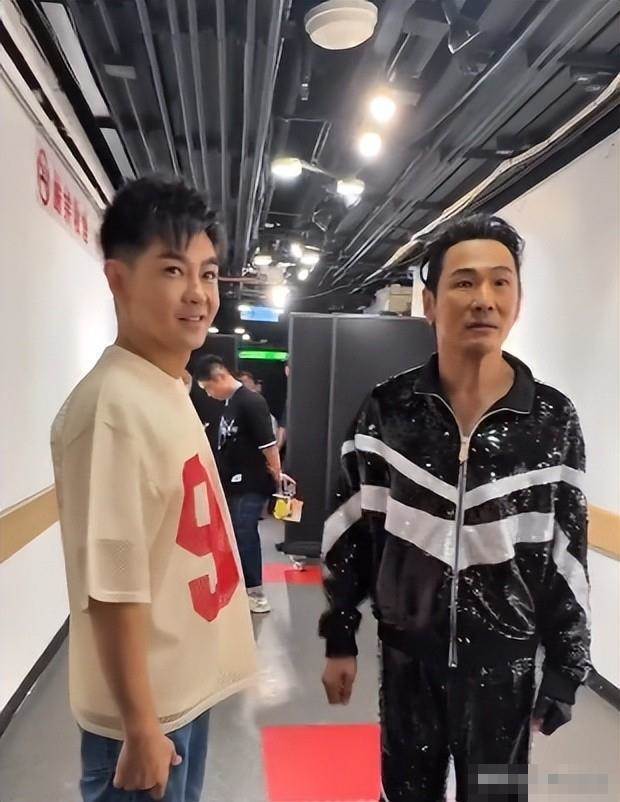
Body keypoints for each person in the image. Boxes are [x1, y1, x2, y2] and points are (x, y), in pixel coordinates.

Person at [319, 214, 591, 802]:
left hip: (505, 670)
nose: (484, 299)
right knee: (405, 793)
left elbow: (568, 549)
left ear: (517, 301)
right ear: (430, 303)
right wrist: (340, 633)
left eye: (500, 282)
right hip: (406, 661)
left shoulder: (552, 419)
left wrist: (567, 666)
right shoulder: (387, 410)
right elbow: (351, 529)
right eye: (464, 282)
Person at [51, 176, 256, 802]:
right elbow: (113, 586)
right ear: (118, 279)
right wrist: (140, 728)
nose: (197, 293)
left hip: (177, 696)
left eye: (208, 274)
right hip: (142, 719)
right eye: (172, 270)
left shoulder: (164, 387)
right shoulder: (112, 406)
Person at [196, 356, 293, 614]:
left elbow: (268, 444)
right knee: (235, 534)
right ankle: (240, 587)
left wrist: (277, 473)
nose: (209, 394)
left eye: (208, 388)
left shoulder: (251, 401)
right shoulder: (231, 403)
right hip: (234, 482)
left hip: (251, 481)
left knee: (244, 532)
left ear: (219, 377)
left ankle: (255, 592)